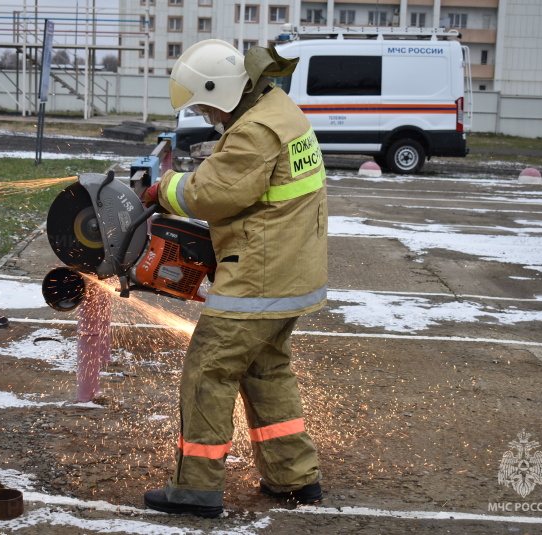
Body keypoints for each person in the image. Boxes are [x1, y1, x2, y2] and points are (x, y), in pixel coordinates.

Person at [142, 39, 328, 518]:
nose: (207, 115)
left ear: (221, 92)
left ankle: (196, 489)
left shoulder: (256, 131)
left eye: (206, 105)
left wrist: (164, 188)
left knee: (208, 372)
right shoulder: (279, 109)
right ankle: (295, 476)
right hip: (289, 270)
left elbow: (212, 194)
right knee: (266, 372)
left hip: (259, 280)